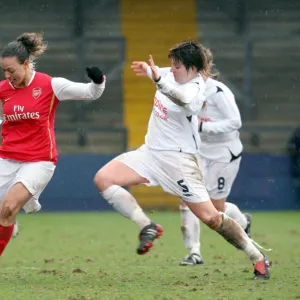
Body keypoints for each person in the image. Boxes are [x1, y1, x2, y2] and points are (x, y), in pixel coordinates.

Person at [93, 41, 271, 280]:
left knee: (212, 217)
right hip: (150, 153)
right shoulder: (174, 75)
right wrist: (148, 69)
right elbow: (164, 74)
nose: (171, 69)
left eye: (176, 65)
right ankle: (148, 226)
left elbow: (184, 100)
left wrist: (158, 80)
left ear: (192, 68)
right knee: (104, 179)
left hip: (178, 162)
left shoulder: (197, 89)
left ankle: (257, 257)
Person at [0, 32, 106, 256]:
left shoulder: (50, 85)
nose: (8, 76)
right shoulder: (4, 90)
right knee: (5, 214)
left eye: (12, 70)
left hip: (39, 161)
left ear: (26, 64)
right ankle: (11, 223)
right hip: (7, 158)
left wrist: (98, 81)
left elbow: (90, 93)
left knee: (8, 207)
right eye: (4, 71)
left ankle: (13, 216)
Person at [178, 48, 252, 266]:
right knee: (188, 199)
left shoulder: (219, 92)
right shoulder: (185, 91)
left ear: (202, 69)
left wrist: (203, 126)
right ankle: (194, 252)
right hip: (199, 151)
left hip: (224, 153)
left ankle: (243, 220)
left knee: (215, 208)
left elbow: (235, 122)